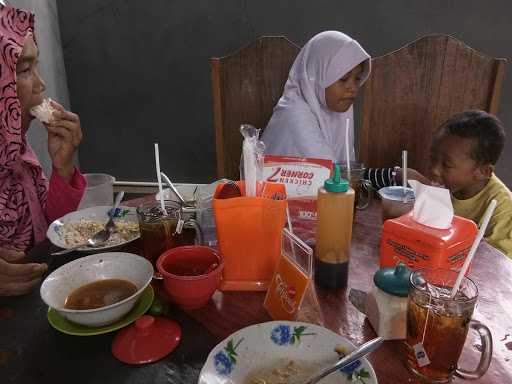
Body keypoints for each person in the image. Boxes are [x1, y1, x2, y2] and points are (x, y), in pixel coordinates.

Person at [0, 5, 86, 295]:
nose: (41, 83)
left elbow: (48, 232)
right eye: (25, 69)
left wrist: (62, 168)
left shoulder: (19, 152)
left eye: (35, 66)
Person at [262, 30, 370, 163]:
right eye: (343, 78)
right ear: (318, 77)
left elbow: (346, 172)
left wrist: (392, 174)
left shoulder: (338, 107)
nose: (352, 88)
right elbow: (332, 177)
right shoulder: (294, 115)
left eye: (357, 79)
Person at [429, 110, 511, 257]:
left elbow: (496, 266)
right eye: (432, 158)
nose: (434, 170)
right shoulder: (445, 185)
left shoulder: (504, 210)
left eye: (446, 165)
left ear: (482, 172)